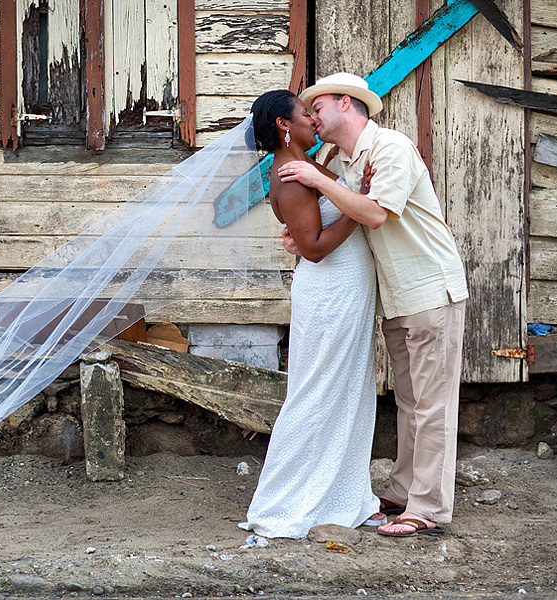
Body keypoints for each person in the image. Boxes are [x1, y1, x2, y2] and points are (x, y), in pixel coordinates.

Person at [278, 72, 468, 538]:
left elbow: (376, 214)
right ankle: (404, 491)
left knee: (432, 404)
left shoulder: (391, 149)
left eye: (317, 108)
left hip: (429, 291)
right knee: (408, 401)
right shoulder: (342, 161)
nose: (313, 119)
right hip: (398, 297)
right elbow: (343, 219)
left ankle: (428, 509)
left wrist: (317, 184)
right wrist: (301, 235)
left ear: (345, 104)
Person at [238, 89, 385, 539]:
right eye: (305, 114)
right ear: (284, 125)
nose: (312, 121)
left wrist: (345, 193)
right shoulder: (290, 177)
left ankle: (346, 498)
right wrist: (360, 205)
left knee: (349, 393)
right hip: (328, 294)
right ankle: (282, 504)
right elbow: (315, 249)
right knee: (317, 393)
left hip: (348, 291)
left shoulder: (310, 166)